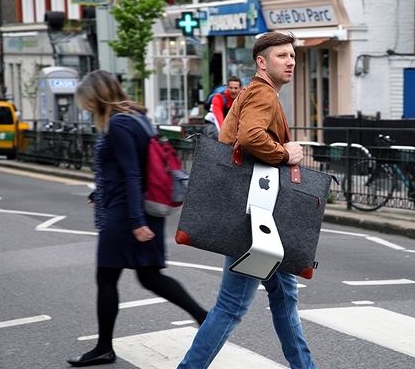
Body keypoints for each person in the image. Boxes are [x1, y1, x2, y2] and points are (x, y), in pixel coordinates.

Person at [178, 33, 314, 369]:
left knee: (284, 299)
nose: (290, 61)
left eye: (292, 56)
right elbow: (250, 136)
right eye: (282, 55)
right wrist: (285, 152)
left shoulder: (258, 92)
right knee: (232, 305)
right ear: (262, 62)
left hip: (259, 215)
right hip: (254, 219)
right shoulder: (262, 93)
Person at [67, 70, 208, 367]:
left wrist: (135, 221)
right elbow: (128, 168)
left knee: (106, 278)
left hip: (127, 213)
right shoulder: (137, 116)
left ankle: (104, 347)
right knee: (149, 276)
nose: (87, 107)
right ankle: (204, 319)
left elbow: (132, 172)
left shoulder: (118, 123)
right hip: (139, 208)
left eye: (88, 100)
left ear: (99, 95)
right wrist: (100, 193)